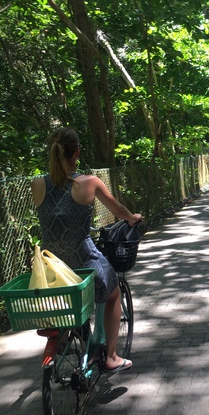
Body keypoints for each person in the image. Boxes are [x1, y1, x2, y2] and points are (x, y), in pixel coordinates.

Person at [31, 127, 143, 373]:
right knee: (113, 292)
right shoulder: (89, 183)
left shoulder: (37, 184)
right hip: (83, 258)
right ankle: (111, 356)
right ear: (77, 153)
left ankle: (67, 335)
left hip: (52, 264)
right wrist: (132, 217)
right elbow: (118, 211)